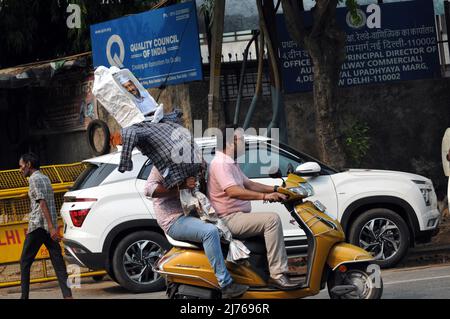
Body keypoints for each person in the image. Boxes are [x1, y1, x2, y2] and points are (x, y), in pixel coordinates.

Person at [208, 125, 298, 289]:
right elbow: (233, 191)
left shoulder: (230, 162)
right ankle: (278, 275)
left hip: (237, 216)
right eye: (241, 139)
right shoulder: (221, 163)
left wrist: (276, 189)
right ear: (230, 143)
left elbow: (248, 184)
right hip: (229, 219)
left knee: (269, 221)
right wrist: (264, 197)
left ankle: (265, 274)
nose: (244, 143)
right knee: (271, 220)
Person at [145, 166, 248, 298]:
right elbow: (148, 190)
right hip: (174, 219)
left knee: (229, 228)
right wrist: (180, 188)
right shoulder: (163, 166)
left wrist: (202, 177)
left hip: (197, 214)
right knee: (210, 232)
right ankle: (226, 284)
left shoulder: (196, 161)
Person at [18, 153, 73, 299]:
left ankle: (24, 297)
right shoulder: (45, 177)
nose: (20, 169)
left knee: (24, 262)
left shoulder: (34, 179)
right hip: (50, 226)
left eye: (21, 165)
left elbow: (42, 202)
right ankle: (68, 295)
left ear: (28, 164)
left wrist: (50, 227)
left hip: (38, 226)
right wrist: (52, 227)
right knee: (58, 263)